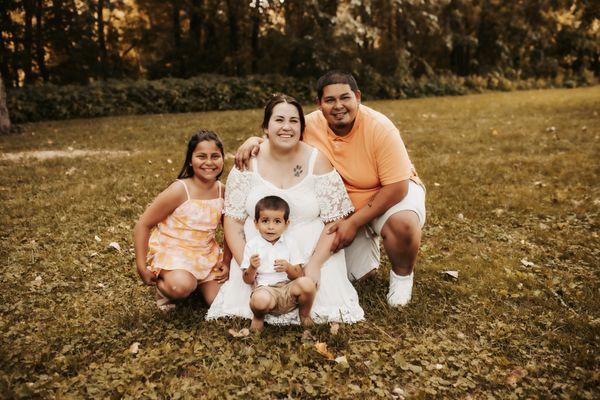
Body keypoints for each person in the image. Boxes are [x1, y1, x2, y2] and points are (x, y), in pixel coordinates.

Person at [235, 71, 426, 307]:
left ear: (357, 97)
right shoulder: (310, 124)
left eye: (345, 98)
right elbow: (283, 132)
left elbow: (398, 188)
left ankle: (402, 276)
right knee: (351, 276)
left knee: (403, 223)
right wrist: (255, 141)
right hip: (343, 204)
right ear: (319, 104)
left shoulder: (381, 128)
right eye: (329, 100)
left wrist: (354, 223)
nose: (338, 106)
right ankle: (368, 243)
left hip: (386, 196)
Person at [206, 93, 364, 325]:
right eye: (279, 120)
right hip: (256, 261)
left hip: (311, 258)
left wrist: (314, 265)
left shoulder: (317, 161)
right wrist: (247, 265)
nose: (286, 127)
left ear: (302, 127)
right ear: (266, 127)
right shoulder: (248, 161)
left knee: (325, 304)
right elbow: (233, 219)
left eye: (293, 121)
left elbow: (335, 221)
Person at [134, 130, 231, 311]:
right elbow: (143, 224)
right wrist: (141, 266)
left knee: (219, 302)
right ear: (190, 160)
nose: (209, 162)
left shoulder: (223, 191)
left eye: (215, 156)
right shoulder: (180, 190)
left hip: (205, 255)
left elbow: (229, 230)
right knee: (181, 287)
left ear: (223, 159)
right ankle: (168, 287)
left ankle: (197, 283)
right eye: (201, 156)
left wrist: (226, 261)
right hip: (174, 253)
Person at [242, 195, 316, 332]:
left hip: (288, 290)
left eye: (277, 221)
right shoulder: (252, 245)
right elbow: (247, 279)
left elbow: (299, 275)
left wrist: (288, 268)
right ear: (256, 223)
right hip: (266, 291)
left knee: (308, 283)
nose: (271, 227)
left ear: (286, 224)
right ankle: (258, 318)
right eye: (265, 221)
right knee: (259, 299)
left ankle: (304, 314)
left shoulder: (291, 243)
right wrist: (252, 267)